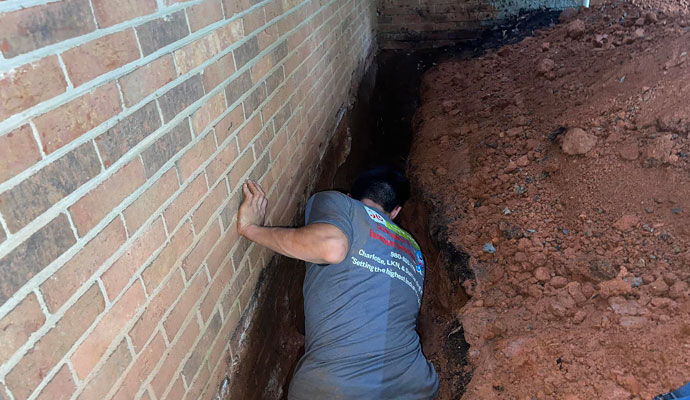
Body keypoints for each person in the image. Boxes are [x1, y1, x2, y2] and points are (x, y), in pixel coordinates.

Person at [237, 166, 439, 399]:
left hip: (338, 387)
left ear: (350, 196)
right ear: (395, 212)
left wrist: (252, 229)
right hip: (415, 385)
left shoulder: (342, 204)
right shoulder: (414, 249)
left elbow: (331, 248)